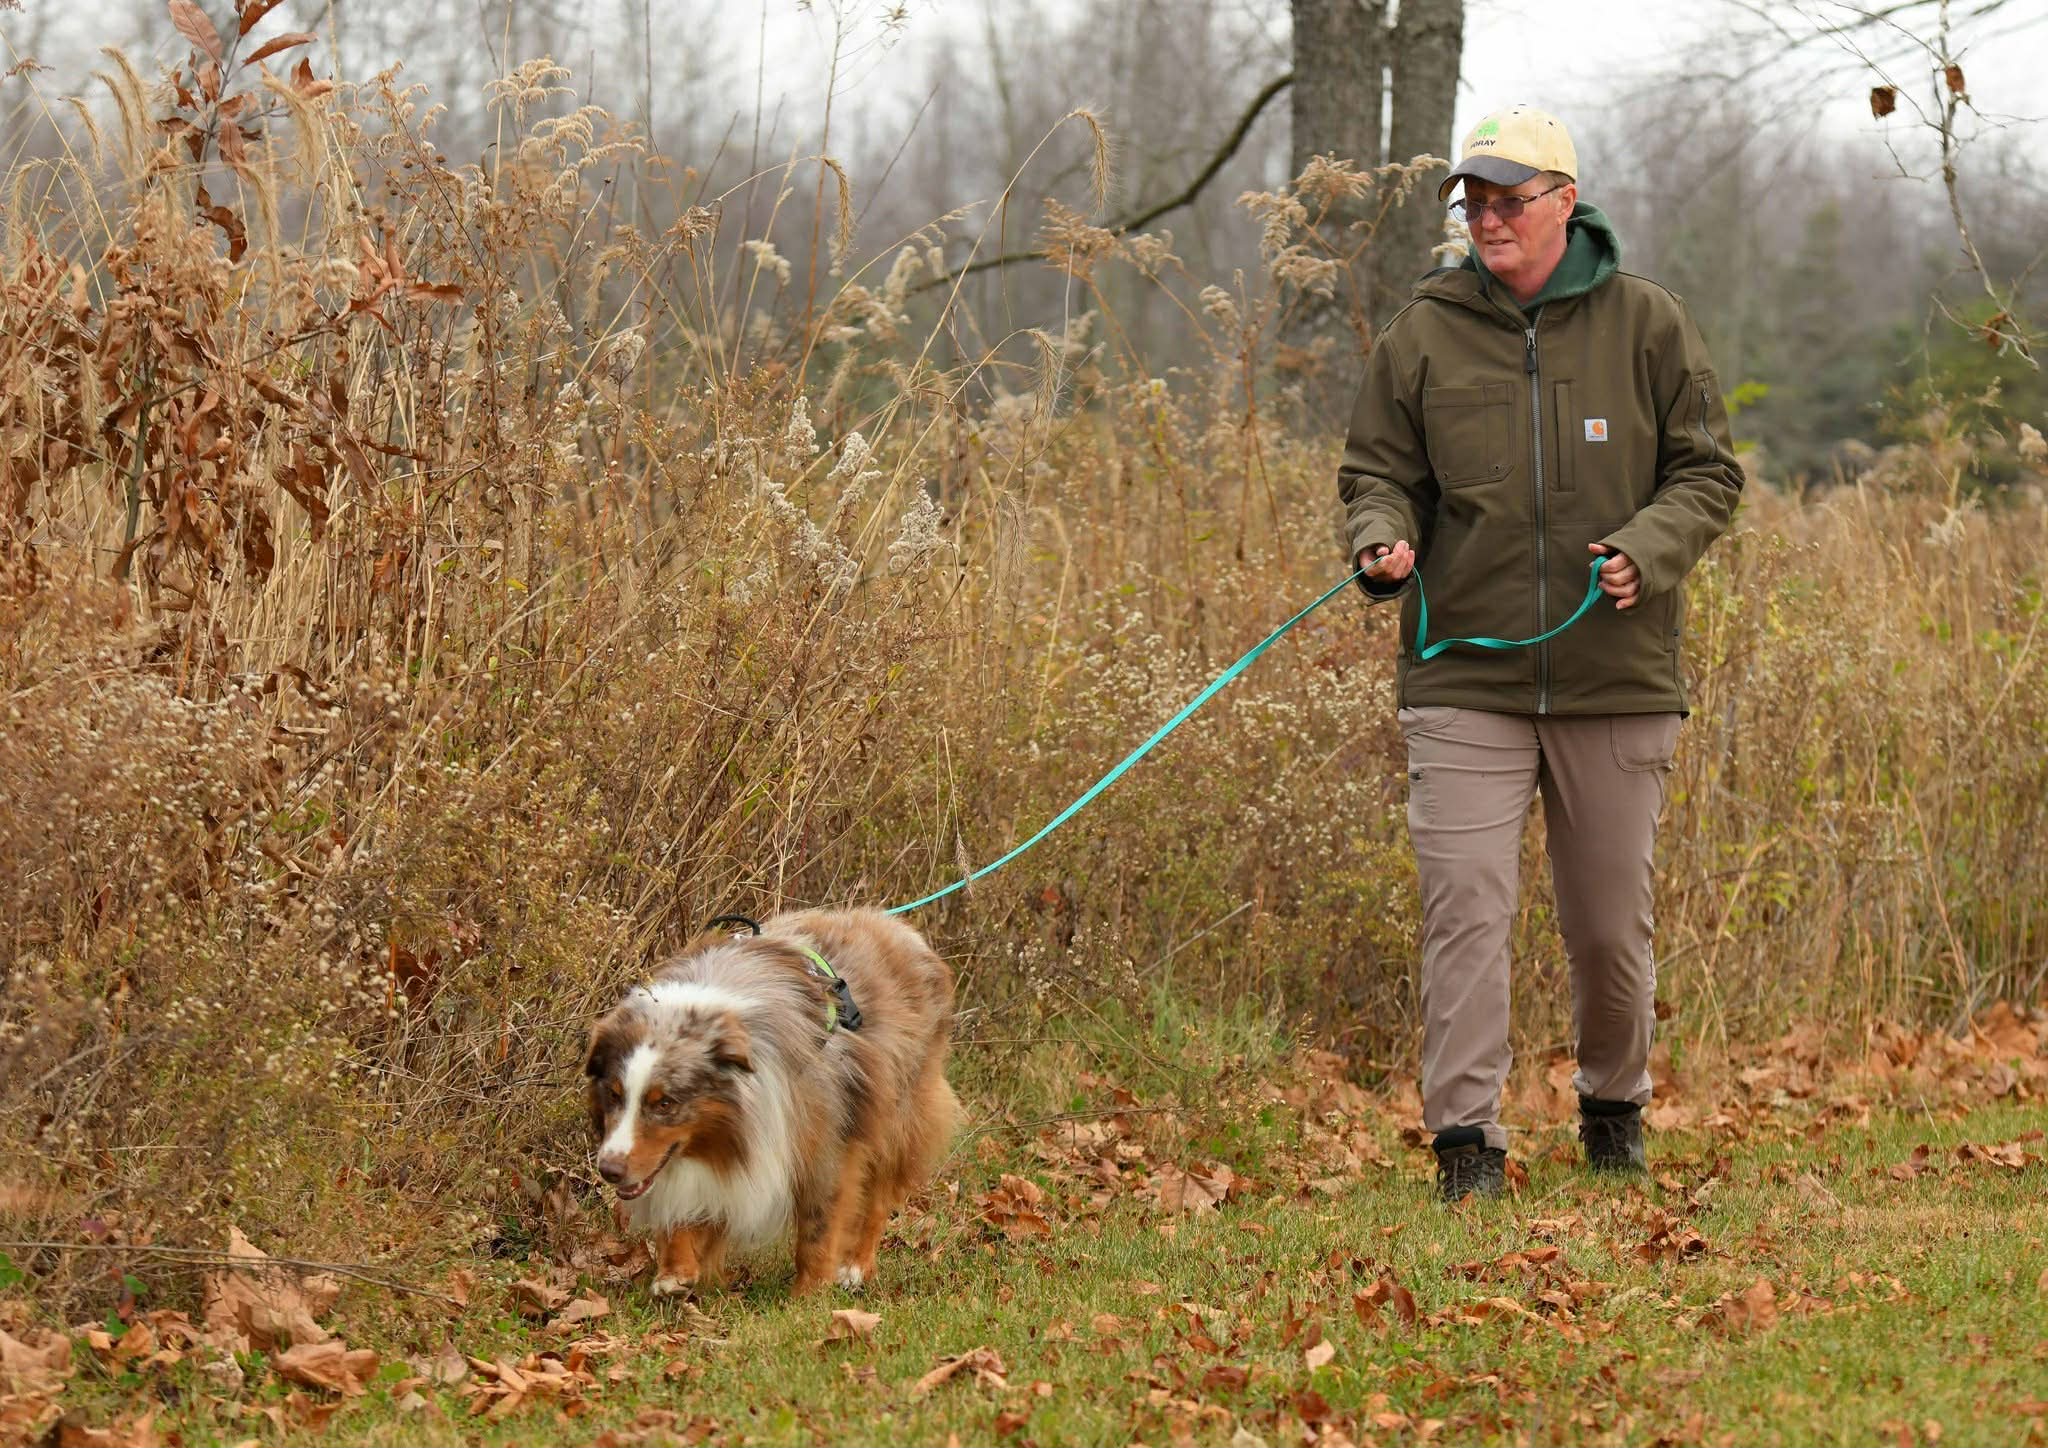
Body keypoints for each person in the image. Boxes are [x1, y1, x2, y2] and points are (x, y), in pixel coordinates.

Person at [1335, 104, 1743, 1202]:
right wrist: (1378, 533)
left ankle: (1613, 1108)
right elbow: (1375, 470)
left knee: (1606, 923)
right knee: (1463, 904)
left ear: (1566, 201)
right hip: (1461, 674)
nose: (1487, 218)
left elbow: (1707, 475)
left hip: (1615, 674)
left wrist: (1644, 551)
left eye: (1510, 198)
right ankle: (1465, 1143)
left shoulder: (1647, 326)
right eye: (1472, 200)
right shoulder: (1420, 332)